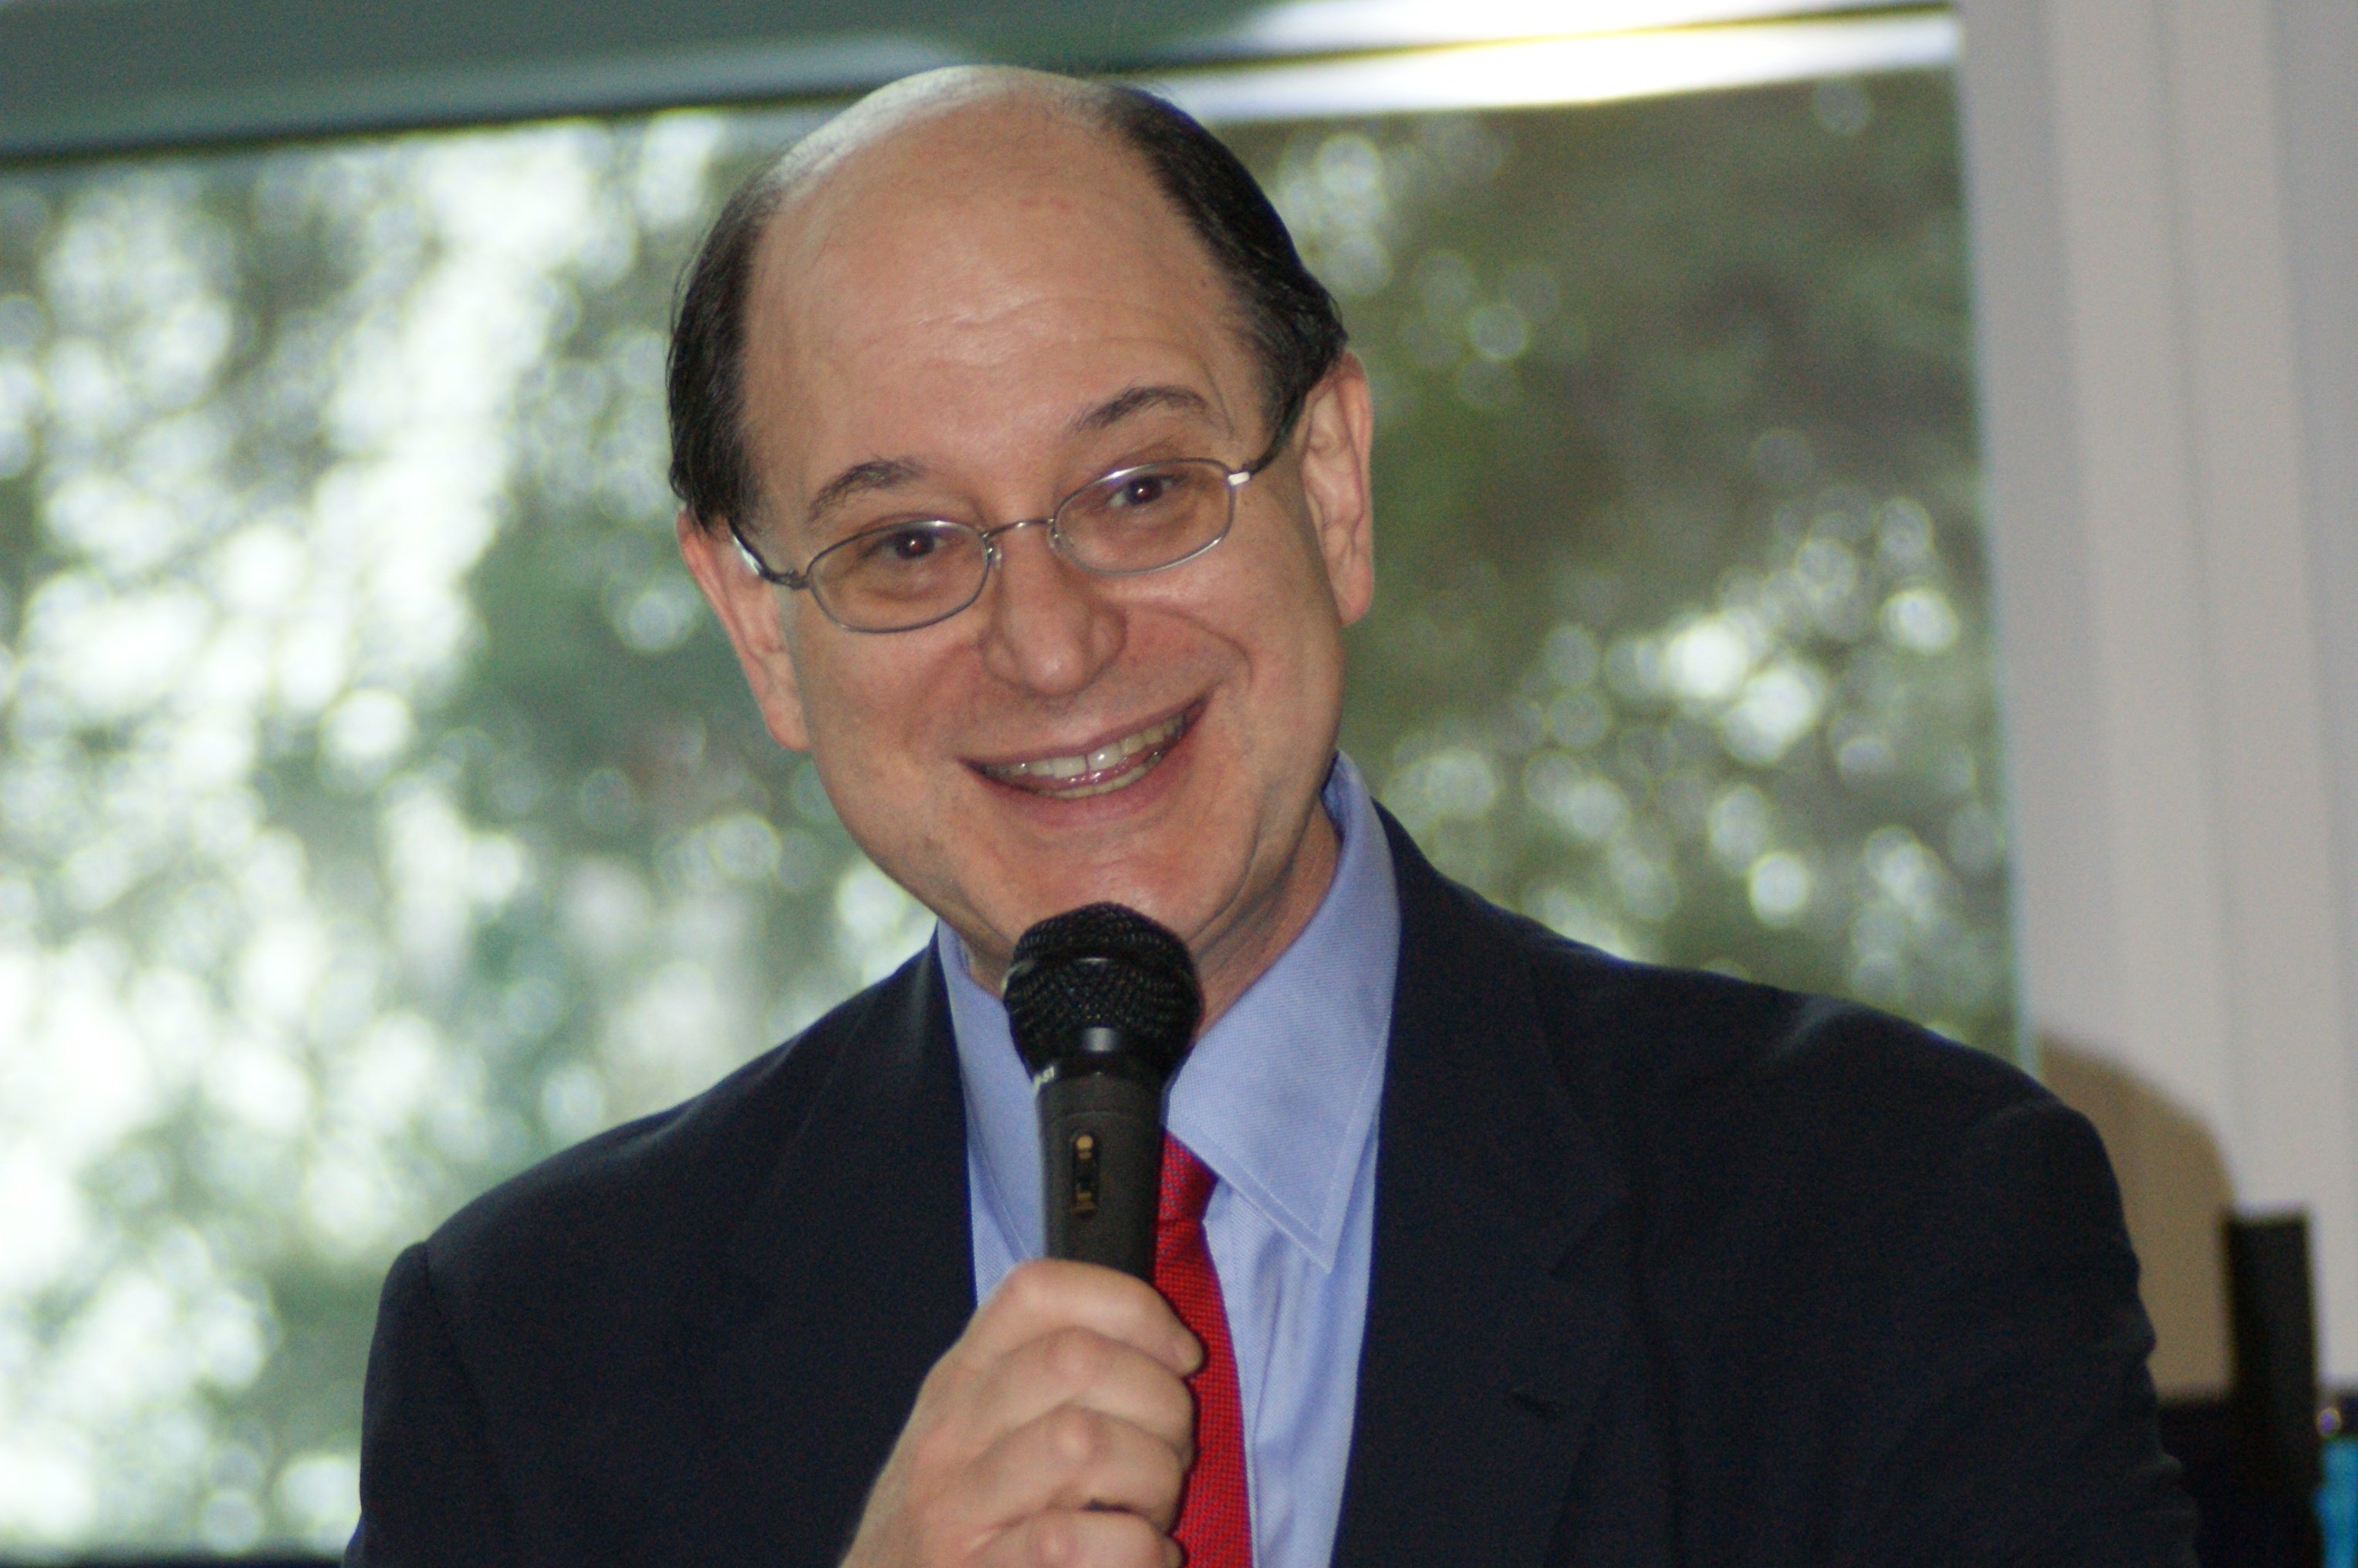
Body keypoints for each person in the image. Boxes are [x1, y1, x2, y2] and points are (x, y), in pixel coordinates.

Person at [346, 67, 2198, 1567]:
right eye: (906, 542)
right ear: (762, 628)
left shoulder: (1890, 1218)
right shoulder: (529, 1357)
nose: (1051, 641)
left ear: (1328, 483)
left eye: (1140, 488)